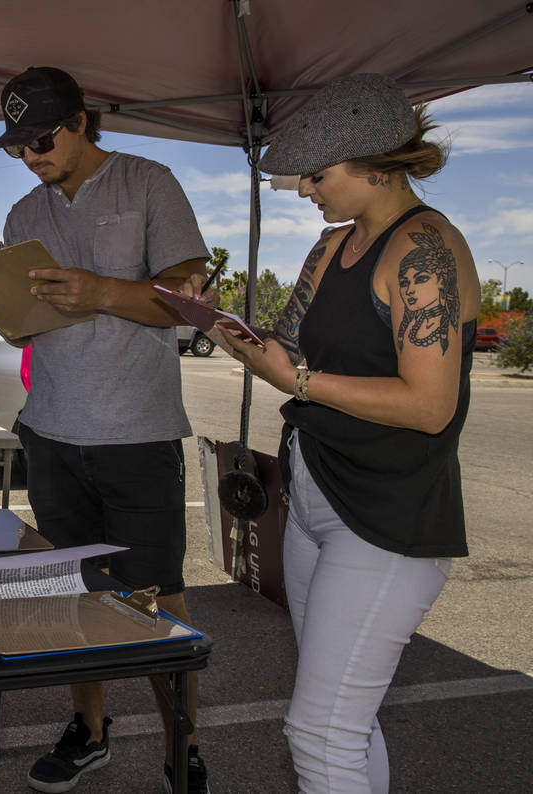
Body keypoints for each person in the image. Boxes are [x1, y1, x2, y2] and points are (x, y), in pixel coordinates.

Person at [207, 73, 479, 792]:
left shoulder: (427, 251)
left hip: (386, 519)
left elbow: (429, 406)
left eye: (317, 175)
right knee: (345, 720)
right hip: (315, 500)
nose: (305, 191)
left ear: (378, 166)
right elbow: (290, 349)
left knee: (320, 731)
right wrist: (224, 327)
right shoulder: (331, 249)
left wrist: (294, 381)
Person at [0, 67, 213, 794]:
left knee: (156, 598)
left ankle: (184, 746)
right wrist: (5, 310)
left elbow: (189, 304)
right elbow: (25, 325)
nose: (31, 157)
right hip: (50, 430)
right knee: (74, 593)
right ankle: (89, 732)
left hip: (139, 433)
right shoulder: (25, 213)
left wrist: (105, 291)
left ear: (83, 121)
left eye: (41, 139)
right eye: (17, 146)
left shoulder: (149, 182)